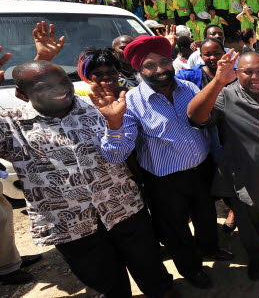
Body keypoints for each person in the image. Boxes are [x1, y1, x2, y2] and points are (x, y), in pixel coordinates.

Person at [1, 59, 176, 297]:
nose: (60, 89)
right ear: (22, 94)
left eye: (63, 81)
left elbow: (119, 155)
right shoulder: (12, 125)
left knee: (148, 263)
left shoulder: (98, 108)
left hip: (122, 206)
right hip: (70, 222)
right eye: (45, 87)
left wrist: (115, 125)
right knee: (102, 277)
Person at [94, 35, 232, 290]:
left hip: (201, 170)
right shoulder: (132, 102)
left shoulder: (188, 89)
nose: (159, 70)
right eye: (149, 65)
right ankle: (191, 269)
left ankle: (210, 249)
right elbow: (116, 155)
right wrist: (114, 124)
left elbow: (207, 127)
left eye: (163, 62)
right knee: (175, 230)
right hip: (164, 181)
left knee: (206, 215)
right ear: (138, 68)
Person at [187, 51, 259, 280]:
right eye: (247, 71)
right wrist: (217, 82)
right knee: (248, 220)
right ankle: (257, 255)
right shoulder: (226, 95)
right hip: (243, 174)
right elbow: (195, 117)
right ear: (236, 73)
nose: (255, 77)